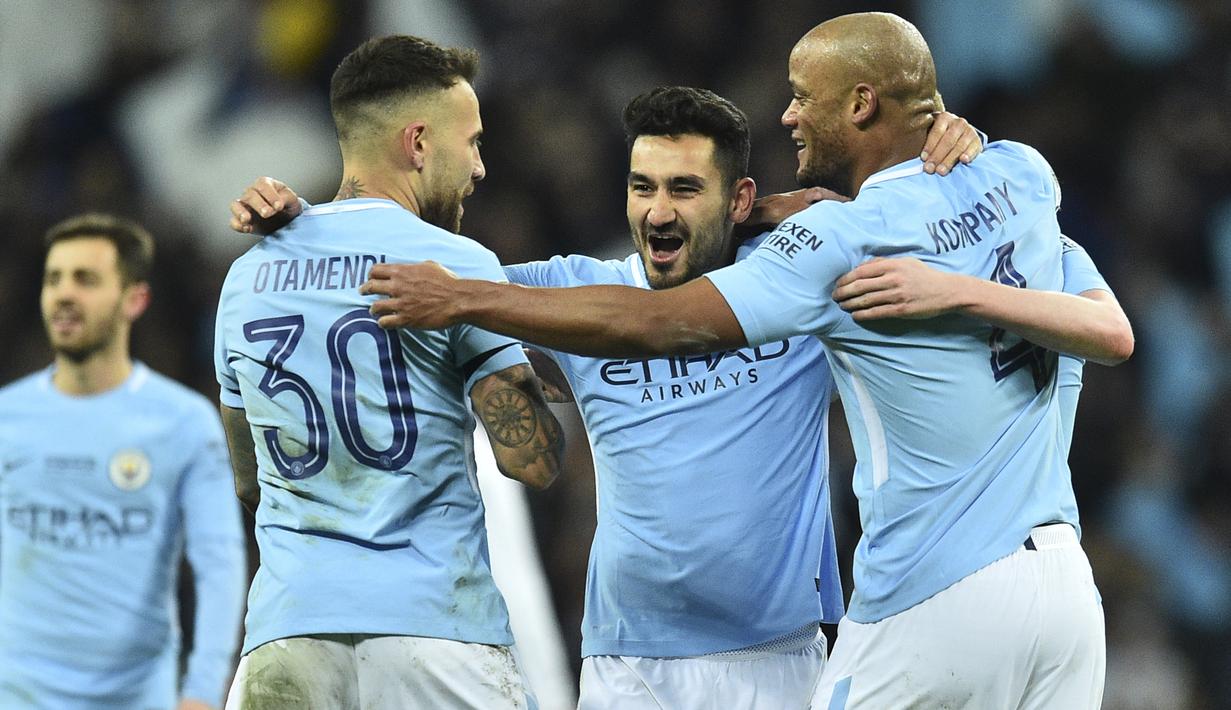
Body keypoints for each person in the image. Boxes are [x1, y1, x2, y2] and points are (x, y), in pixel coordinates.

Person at [355, 13, 1134, 709]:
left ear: (859, 104)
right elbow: (1111, 333)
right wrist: (310, 218)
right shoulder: (1021, 175)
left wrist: (942, 288)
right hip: (1055, 591)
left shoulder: (828, 258)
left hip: (887, 613)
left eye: (802, 96)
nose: (788, 112)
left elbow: (661, 326)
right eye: (641, 188)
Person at [229, 83, 984, 707]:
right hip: (627, 668)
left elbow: (922, 232)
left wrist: (957, 147)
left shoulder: (794, 288)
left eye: (686, 190)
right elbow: (407, 290)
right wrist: (311, 226)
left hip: (776, 663)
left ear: (738, 196)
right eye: (642, 186)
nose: (657, 212)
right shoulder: (571, 292)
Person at [213, 35, 564, 709]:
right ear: (419, 144)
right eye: (473, 142)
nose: (481, 168)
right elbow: (531, 463)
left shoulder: (245, 279)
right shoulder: (454, 266)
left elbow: (248, 478)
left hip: (291, 633)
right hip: (434, 635)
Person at [0, 213, 247, 710]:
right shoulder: (8, 418)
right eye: (54, 279)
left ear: (134, 299)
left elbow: (219, 566)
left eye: (85, 279)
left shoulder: (183, 422)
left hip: (138, 696)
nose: (64, 294)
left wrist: (201, 689)